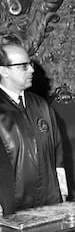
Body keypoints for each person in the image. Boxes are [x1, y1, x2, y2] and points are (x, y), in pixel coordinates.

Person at [0, 44, 67, 215]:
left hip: (49, 201)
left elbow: (57, 152)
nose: (31, 69)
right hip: (12, 206)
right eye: (24, 66)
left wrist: (62, 191)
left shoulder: (41, 105)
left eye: (30, 64)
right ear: (4, 71)